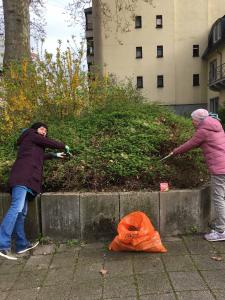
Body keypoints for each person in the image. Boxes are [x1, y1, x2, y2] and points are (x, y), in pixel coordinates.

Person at [0, 122, 69, 260]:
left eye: (45, 131)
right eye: (42, 129)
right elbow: (50, 142)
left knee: (22, 212)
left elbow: (38, 158)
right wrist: (64, 145)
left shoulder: (32, 143)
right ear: (35, 129)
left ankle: (21, 245)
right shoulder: (31, 134)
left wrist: (55, 155)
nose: (44, 132)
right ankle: (2, 245)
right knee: (16, 208)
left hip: (26, 179)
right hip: (22, 177)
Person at [172, 109, 225, 242]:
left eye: (192, 120)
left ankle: (221, 231)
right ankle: (222, 224)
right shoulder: (215, 124)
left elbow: (190, 144)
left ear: (197, 120)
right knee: (222, 197)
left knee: (219, 198)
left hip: (219, 168)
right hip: (223, 165)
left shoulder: (203, 130)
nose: (192, 122)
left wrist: (174, 152)